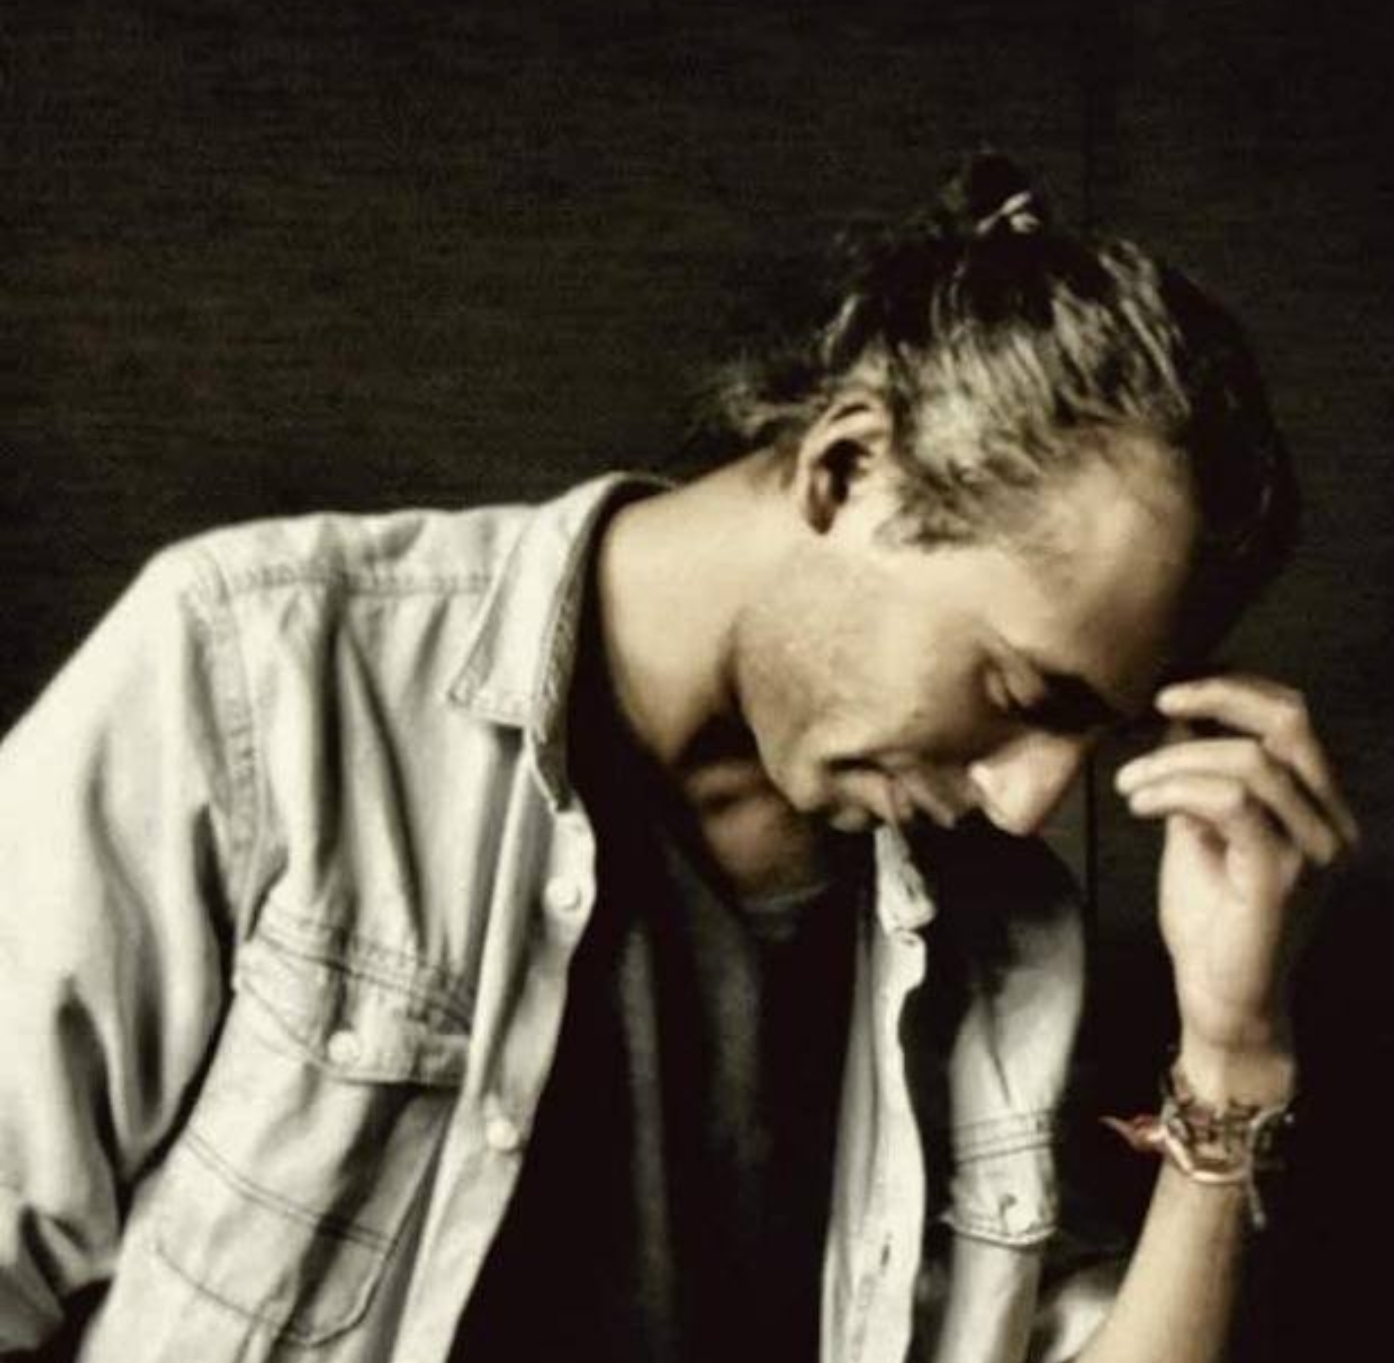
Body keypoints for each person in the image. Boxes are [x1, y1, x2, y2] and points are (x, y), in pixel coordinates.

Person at [0, 153, 1358, 1363]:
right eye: (1016, 690)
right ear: (849, 471)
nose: (1029, 800)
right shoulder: (265, 677)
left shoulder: (1000, 934)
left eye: (1092, 735)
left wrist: (1234, 1057)